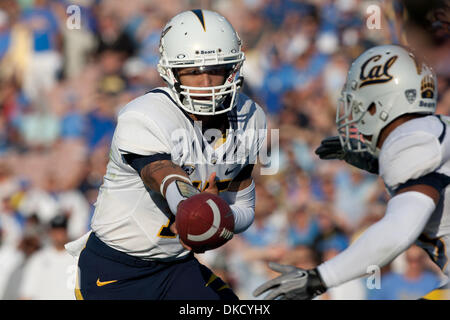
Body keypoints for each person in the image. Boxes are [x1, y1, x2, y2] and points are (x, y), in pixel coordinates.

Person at [65, 9, 266, 300]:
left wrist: (220, 218)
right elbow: (162, 173)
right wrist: (191, 206)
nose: (207, 83)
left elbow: (244, 207)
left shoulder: (250, 118)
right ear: (170, 73)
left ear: (233, 68)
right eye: (194, 71)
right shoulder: (146, 114)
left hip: (176, 268)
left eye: (215, 68)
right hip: (116, 273)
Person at [253, 44, 450, 300]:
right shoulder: (433, 130)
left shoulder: (410, 142)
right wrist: (375, 162)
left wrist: (320, 278)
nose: (354, 113)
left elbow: (400, 229)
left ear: (382, 104)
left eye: (361, 105)